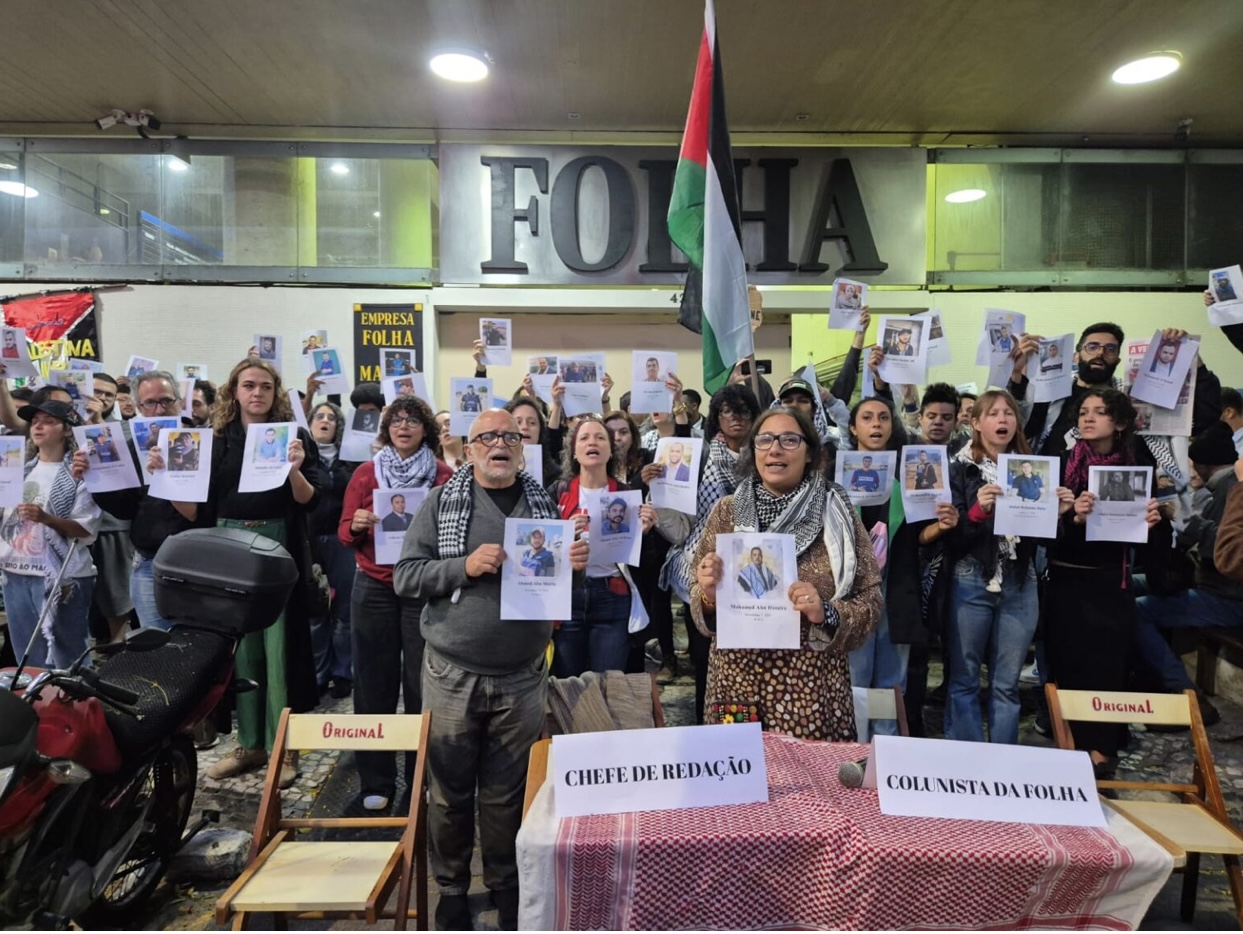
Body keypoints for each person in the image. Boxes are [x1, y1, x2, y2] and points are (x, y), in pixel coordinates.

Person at [394, 408, 587, 931]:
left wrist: (575, 561)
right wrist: (464, 566)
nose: (500, 444)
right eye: (487, 437)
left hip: (523, 674)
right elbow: (405, 577)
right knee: (450, 792)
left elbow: (563, 577)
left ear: (522, 448)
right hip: (452, 672)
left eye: (510, 436)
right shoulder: (441, 503)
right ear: (470, 447)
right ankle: (452, 885)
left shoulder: (545, 507)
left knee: (508, 793)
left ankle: (505, 882)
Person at [691, 407, 882, 739]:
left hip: (809, 690)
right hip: (735, 683)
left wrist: (827, 612)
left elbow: (870, 601)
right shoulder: (727, 512)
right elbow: (699, 600)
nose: (775, 449)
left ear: (810, 453)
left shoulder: (835, 511)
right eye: (765, 440)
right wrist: (708, 595)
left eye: (789, 440)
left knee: (808, 785)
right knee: (737, 778)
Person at [197, 359, 321, 788]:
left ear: (276, 393)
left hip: (276, 544)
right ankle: (249, 743)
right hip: (229, 544)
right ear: (234, 391)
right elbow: (201, 504)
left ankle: (284, 747)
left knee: (279, 650)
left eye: (265, 387)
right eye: (248, 385)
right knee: (240, 651)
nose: (257, 393)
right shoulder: (217, 440)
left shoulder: (295, 438)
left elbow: (310, 501)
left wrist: (295, 470)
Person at [1045, 388, 1165, 778]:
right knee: (1068, 664)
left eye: (1100, 412)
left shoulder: (1136, 463)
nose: (1088, 418)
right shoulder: (1063, 464)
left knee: (1109, 666)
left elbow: (1149, 541)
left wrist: (1153, 522)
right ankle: (1071, 745)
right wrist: (1071, 519)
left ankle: (1102, 751)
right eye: (1083, 412)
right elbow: (1044, 536)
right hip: (1065, 579)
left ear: (1121, 422)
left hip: (1112, 582)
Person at [340, 396, 451, 811]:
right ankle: (377, 781)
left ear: (427, 429)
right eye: (397, 421)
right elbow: (343, 531)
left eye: (414, 420)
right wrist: (356, 523)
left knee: (423, 686)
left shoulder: (442, 475)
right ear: (386, 428)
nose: (404, 427)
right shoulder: (367, 474)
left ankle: (421, 778)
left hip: (422, 587)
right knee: (372, 685)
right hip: (374, 587)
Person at [946, 391, 1071, 744]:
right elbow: (951, 539)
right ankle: (965, 763)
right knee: (965, 678)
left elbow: (1048, 541)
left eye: (1009, 414)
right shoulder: (961, 467)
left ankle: (1004, 763)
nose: (1002, 420)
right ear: (976, 423)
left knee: (1006, 684)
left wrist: (1058, 516)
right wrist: (976, 511)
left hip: (1020, 581)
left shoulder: (1034, 469)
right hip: (970, 579)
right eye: (993, 414)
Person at [663, 384, 763, 723]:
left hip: (753, 569)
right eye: (728, 411)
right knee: (705, 657)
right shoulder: (703, 456)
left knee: (745, 662)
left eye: (744, 411)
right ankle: (706, 730)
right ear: (717, 417)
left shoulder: (765, 456)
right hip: (705, 566)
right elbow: (680, 511)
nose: (736, 418)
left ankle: (745, 735)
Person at [1133, 422, 1238, 723]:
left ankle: (1183, 691)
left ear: (1202, 463)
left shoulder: (1230, 491)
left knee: (1138, 611)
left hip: (1225, 597)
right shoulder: (1225, 487)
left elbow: (1222, 550)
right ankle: (1142, 673)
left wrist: (1180, 518)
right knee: (1127, 585)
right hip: (1211, 585)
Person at [79, 373, 197, 634]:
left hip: (196, 563)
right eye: (150, 403)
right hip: (149, 562)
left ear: (179, 402)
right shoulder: (134, 447)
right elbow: (125, 508)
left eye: (166, 401)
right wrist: (95, 478)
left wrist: (167, 474)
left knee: (195, 645)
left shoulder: (198, 441)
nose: (159, 409)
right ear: (139, 407)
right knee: (154, 645)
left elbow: (202, 510)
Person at [549, 415, 655, 676]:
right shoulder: (557, 492)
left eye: (599, 437)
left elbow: (645, 561)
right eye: (584, 438)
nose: (592, 442)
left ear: (610, 451)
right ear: (574, 451)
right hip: (568, 598)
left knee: (609, 685)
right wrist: (563, 534)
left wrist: (645, 534)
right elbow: (539, 548)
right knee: (567, 686)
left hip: (613, 596)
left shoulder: (627, 494)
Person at [0, 399, 101, 669]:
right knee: (27, 655)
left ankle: (76, 708)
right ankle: (39, 710)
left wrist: (46, 518)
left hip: (64, 576)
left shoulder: (81, 473)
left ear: (68, 429)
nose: (39, 426)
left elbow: (85, 528)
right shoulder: (18, 470)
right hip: (15, 571)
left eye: (49, 421)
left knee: (67, 653)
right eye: (35, 422)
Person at [306, 400, 360, 701]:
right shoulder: (302, 459)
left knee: (343, 614)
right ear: (310, 423)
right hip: (309, 541)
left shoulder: (351, 460)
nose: (325, 421)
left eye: (331, 418)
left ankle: (343, 672)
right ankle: (318, 674)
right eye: (319, 416)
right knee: (315, 612)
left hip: (343, 543)